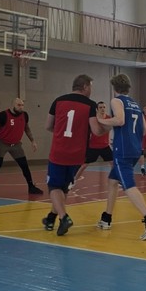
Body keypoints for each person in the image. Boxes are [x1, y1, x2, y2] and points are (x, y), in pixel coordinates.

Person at [97, 74, 146, 241]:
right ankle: (106, 218)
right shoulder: (135, 104)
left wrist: (101, 120)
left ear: (114, 88)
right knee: (112, 181)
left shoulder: (116, 101)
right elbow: (145, 130)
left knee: (128, 186)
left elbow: (119, 120)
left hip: (123, 151)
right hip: (135, 149)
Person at [41, 74, 104, 236]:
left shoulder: (58, 101)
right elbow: (97, 131)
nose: (91, 90)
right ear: (85, 87)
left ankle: (64, 218)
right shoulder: (90, 105)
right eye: (90, 87)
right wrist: (110, 126)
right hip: (77, 154)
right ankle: (51, 218)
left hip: (59, 151)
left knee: (54, 187)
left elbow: (48, 126)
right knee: (63, 188)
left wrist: (61, 133)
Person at [0, 98, 44, 199]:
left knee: (24, 165)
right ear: (13, 105)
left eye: (22, 105)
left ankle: (31, 187)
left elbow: (27, 128)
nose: (21, 107)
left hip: (16, 144)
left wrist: (32, 141)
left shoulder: (24, 115)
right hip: (2, 143)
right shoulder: (3, 115)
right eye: (19, 105)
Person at [73, 101, 113, 184]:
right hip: (93, 147)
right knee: (84, 165)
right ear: (97, 109)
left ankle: (116, 180)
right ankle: (73, 181)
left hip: (105, 146)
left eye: (104, 107)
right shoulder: (93, 119)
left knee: (114, 164)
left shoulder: (109, 118)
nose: (102, 109)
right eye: (100, 107)